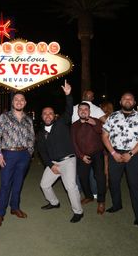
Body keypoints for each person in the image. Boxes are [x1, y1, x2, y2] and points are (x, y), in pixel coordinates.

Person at [37, 80, 84, 223]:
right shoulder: (40, 133)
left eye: (50, 113)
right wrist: (51, 165)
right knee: (44, 185)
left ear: (54, 115)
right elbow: (42, 152)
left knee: (70, 187)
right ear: (42, 116)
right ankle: (54, 203)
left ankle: (78, 211)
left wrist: (68, 95)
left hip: (68, 161)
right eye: (45, 113)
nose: (48, 115)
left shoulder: (62, 123)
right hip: (54, 163)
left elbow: (69, 109)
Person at [102, 92, 138, 226]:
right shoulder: (112, 117)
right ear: (120, 102)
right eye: (124, 98)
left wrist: (131, 153)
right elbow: (104, 136)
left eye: (130, 99)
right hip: (115, 153)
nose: (127, 100)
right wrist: (112, 153)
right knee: (113, 181)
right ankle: (117, 205)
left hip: (133, 155)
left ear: (134, 102)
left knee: (134, 184)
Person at [0, 92, 35, 227]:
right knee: (5, 184)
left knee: (18, 183)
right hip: (8, 154)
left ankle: (15, 208)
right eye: (16, 99)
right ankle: (0, 214)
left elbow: (32, 137)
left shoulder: (28, 119)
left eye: (22, 99)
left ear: (25, 102)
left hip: (24, 155)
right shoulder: (4, 117)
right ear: (12, 102)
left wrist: (29, 153)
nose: (19, 101)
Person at [71, 102, 106, 214]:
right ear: (78, 112)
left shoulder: (96, 121)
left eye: (86, 109)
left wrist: (94, 123)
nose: (83, 111)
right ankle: (89, 196)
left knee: (99, 176)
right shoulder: (74, 125)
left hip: (97, 153)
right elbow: (73, 143)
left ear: (89, 111)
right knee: (82, 176)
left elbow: (102, 131)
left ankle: (101, 201)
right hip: (83, 155)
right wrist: (81, 156)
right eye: (80, 109)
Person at [100, 101, 114, 188]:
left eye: (102, 107)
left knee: (105, 164)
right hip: (111, 143)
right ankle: (108, 182)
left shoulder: (104, 117)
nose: (101, 108)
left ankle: (107, 182)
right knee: (108, 164)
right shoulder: (113, 116)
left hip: (105, 142)